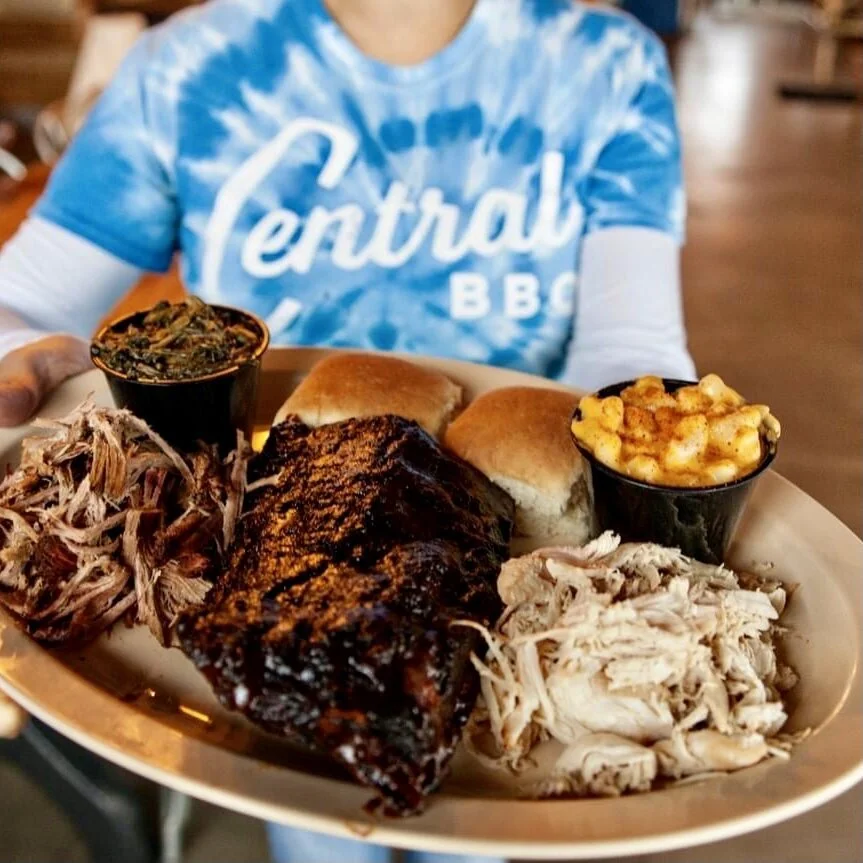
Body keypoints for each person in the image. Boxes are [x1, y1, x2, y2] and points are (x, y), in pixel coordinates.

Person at [0, 0, 696, 860]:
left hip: (516, 581)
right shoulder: (185, 71)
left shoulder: (604, 64)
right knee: (316, 824)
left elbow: (631, 358)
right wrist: (22, 359)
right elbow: (20, 302)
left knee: (475, 830)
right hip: (271, 555)